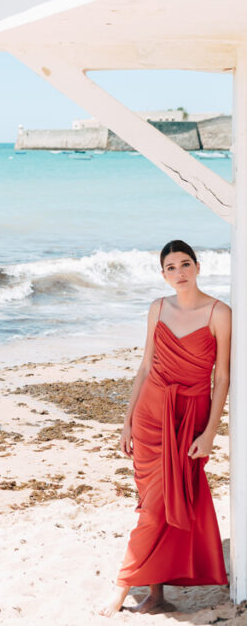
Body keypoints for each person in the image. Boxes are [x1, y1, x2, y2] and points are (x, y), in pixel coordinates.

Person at [100, 239, 231, 616]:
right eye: (171, 267)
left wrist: (209, 433)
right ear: (163, 274)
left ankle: (122, 588)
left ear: (198, 266)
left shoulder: (220, 313)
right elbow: (145, 367)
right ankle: (155, 596)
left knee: (162, 507)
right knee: (151, 506)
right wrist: (126, 422)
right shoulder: (157, 307)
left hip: (190, 416)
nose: (179, 273)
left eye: (185, 264)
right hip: (149, 414)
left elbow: (221, 378)